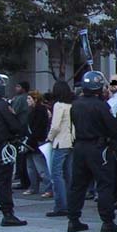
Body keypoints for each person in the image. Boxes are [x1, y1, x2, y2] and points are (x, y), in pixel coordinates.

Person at [67, 70, 117, 232]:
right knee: (105, 184)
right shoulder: (101, 106)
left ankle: (73, 219)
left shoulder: (76, 104)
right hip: (98, 148)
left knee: (77, 185)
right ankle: (107, 221)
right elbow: (112, 129)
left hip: (80, 146)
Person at [0, 73, 27, 226]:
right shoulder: (2, 105)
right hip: (1, 148)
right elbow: (14, 126)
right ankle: (7, 213)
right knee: (3, 182)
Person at [46, 80, 74, 217]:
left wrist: (49, 137)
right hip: (70, 141)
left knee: (56, 174)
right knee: (68, 174)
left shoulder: (58, 105)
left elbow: (55, 126)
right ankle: (70, 203)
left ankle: (60, 205)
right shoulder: (71, 105)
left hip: (60, 142)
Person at [24, 90, 54, 199]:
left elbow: (39, 127)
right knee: (31, 166)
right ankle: (33, 186)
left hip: (37, 140)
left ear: (35, 99)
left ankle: (49, 188)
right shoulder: (33, 110)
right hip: (32, 140)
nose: (27, 101)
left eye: (29, 99)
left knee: (40, 167)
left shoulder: (40, 110)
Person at [11, 81, 31, 190]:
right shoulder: (27, 98)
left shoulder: (19, 99)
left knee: (20, 155)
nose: (16, 88)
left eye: (18, 86)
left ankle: (22, 177)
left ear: (23, 88)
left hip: (20, 129)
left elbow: (13, 112)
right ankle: (24, 178)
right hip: (26, 129)